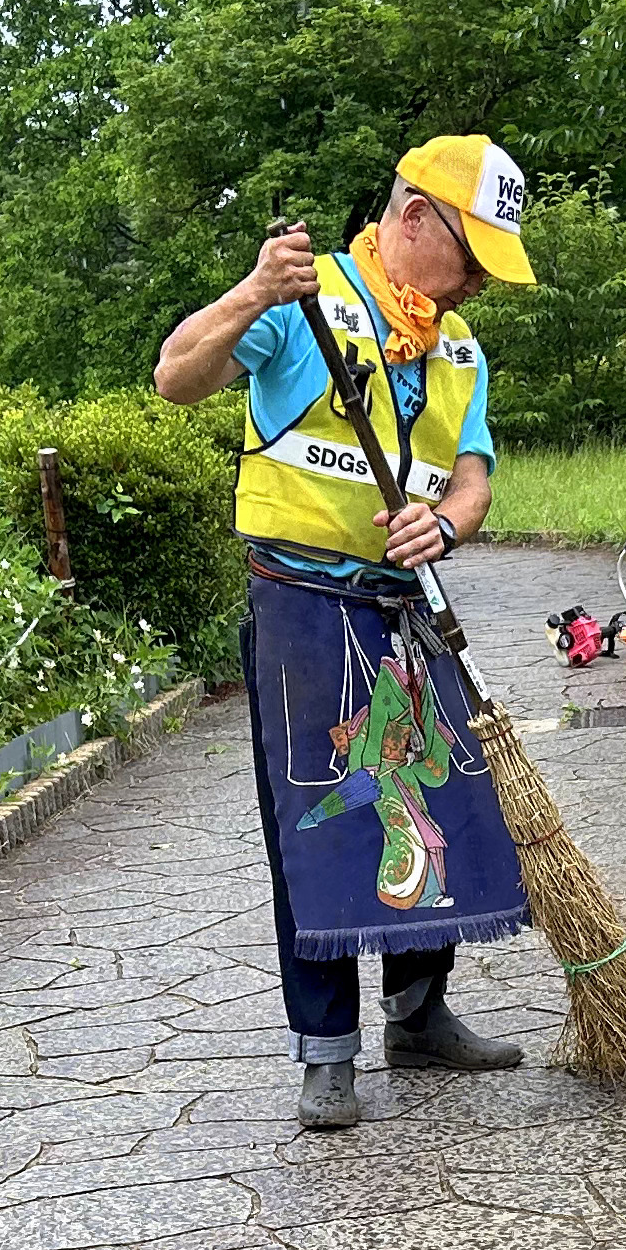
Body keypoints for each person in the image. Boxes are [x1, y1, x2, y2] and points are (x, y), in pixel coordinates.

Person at [153, 138, 541, 1131]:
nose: (478, 288)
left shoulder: (458, 349)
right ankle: (327, 1052)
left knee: (432, 807)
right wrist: (248, 293)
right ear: (416, 218)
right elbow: (176, 376)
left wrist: (449, 522)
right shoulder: (301, 299)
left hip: (403, 603)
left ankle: (419, 1012)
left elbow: (473, 476)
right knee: (320, 821)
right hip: (300, 606)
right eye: (472, 258)